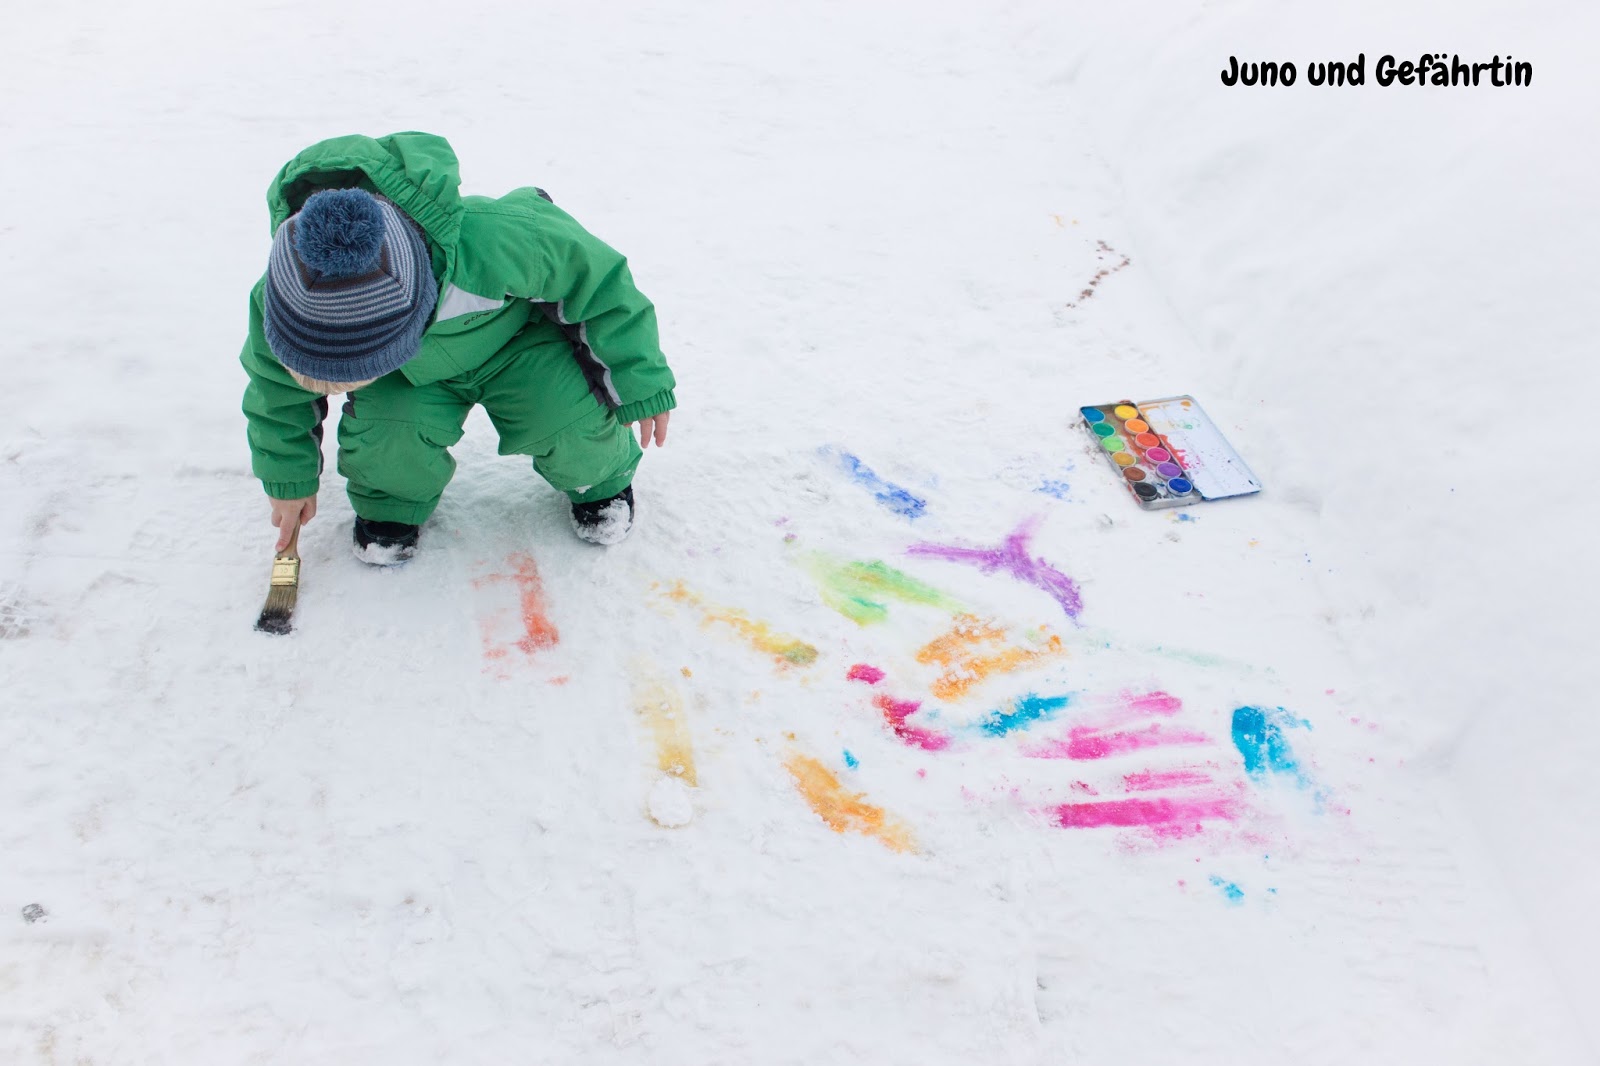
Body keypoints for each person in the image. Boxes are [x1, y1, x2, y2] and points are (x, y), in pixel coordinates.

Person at [239, 132, 676, 562]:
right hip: (409, 376)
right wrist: (289, 478)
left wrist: (638, 377)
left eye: (352, 377)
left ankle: (599, 482)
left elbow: (600, 284)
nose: (343, 388)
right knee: (389, 437)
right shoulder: (282, 297)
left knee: (566, 422)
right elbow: (274, 393)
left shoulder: (495, 241)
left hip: (516, 346)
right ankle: (392, 507)